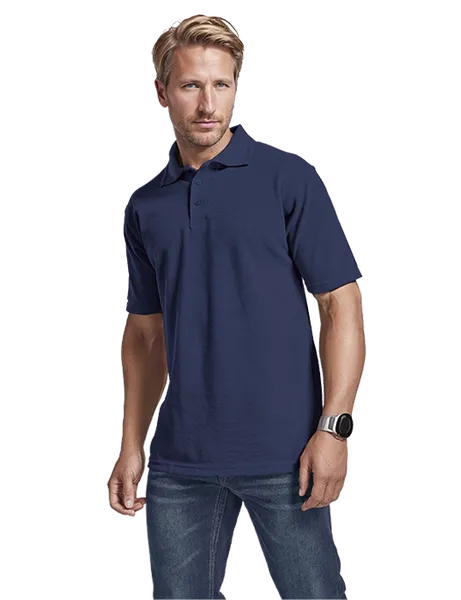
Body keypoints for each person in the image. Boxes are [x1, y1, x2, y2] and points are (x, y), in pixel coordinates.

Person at [110, 11, 366, 600]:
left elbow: (341, 305)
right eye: (190, 85)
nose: (208, 104)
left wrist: (335, 429)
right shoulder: (146, 207)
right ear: (162, 93)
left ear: (236, 87)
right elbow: (146, 336)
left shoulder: (287, 179)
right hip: (179, 464)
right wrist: (130, 446)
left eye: (221, 84)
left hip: (287, 455)